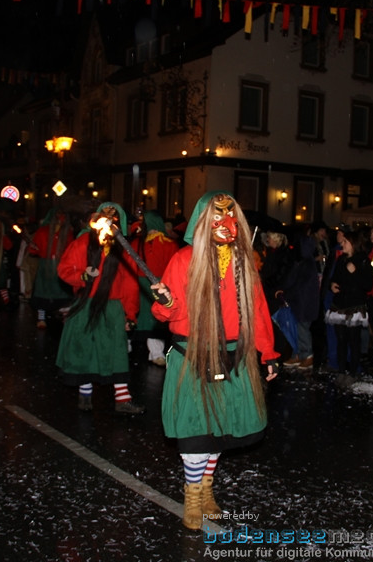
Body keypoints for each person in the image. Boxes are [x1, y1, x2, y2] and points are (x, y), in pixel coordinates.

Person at [150, 191, 279, 530]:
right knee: (196, 430)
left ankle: (206, 490)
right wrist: (165, 301)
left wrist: (269, 353)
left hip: (235, 355)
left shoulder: (245, 260)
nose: (226, 224)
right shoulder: (183, 259)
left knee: (219, 429)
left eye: (230, 217)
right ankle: (192, 495)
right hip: (193, 355)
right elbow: (166, 312)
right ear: (203, 223)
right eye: (217, 218)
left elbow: (259, 310)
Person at [55, 202, 144, 415]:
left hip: (113, 308)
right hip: (86, 306)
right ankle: (85, 394)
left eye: (113, 220)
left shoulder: (124, 250)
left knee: (117, 353)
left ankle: (122, 399)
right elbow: (64, 269)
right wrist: (82, 276)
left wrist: (130, 315)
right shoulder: (83, 242)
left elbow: (131, 286)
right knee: (84, 350)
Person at [130, 210, 180, 366]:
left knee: (143, 317)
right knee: (154, 319)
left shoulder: (138, 243)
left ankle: (132, 346)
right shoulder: (169, 244)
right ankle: (156, 353)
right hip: (157, 285)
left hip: (143, 284)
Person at [326, 230, 373, 379]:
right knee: (341, 339)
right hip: (340, 303)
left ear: (353, 244)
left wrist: (355, 273)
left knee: (354, 340)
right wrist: (332, 285)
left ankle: (353, 371)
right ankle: (341, 370)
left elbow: (367, 285)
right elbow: (335, 278)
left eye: (345, 241)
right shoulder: (342, 260)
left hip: (354, 304)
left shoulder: (363, 260)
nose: (342, 244)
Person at [279, 229, 322, 370]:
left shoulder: (306, 264)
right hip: (300, 302)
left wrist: (287, 293)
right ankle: (298, 354)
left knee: (302, 329)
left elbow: (296, 283)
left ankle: (307, 355)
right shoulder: (305, 262)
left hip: (303, 303)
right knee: (297, 329)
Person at [28, 209, 74, 329]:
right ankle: (41, 318)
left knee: (62, 292)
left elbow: (71, 249)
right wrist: (34, 248)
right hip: (46, 266)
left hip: (61, 266)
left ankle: (64, 317)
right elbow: (33, 249)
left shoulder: (67, 233)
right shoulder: (43, 232)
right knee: (43, 291)